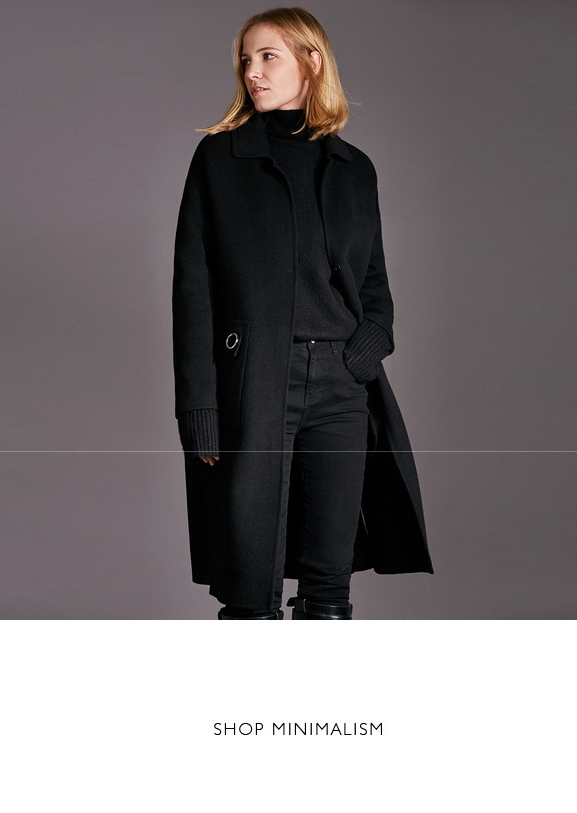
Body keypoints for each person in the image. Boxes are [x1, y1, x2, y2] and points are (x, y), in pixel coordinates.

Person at [172, 7, 433, 620]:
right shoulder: (219, 159)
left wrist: (366, 347)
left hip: (343, 387)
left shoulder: (355, 169)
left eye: (269, 57)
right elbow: (192, 291)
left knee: (330, 581)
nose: (253, 72)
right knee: (249, 581)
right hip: (255, 382)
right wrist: (200, 408)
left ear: (312, 61)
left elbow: (374, 284)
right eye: (247, 60)